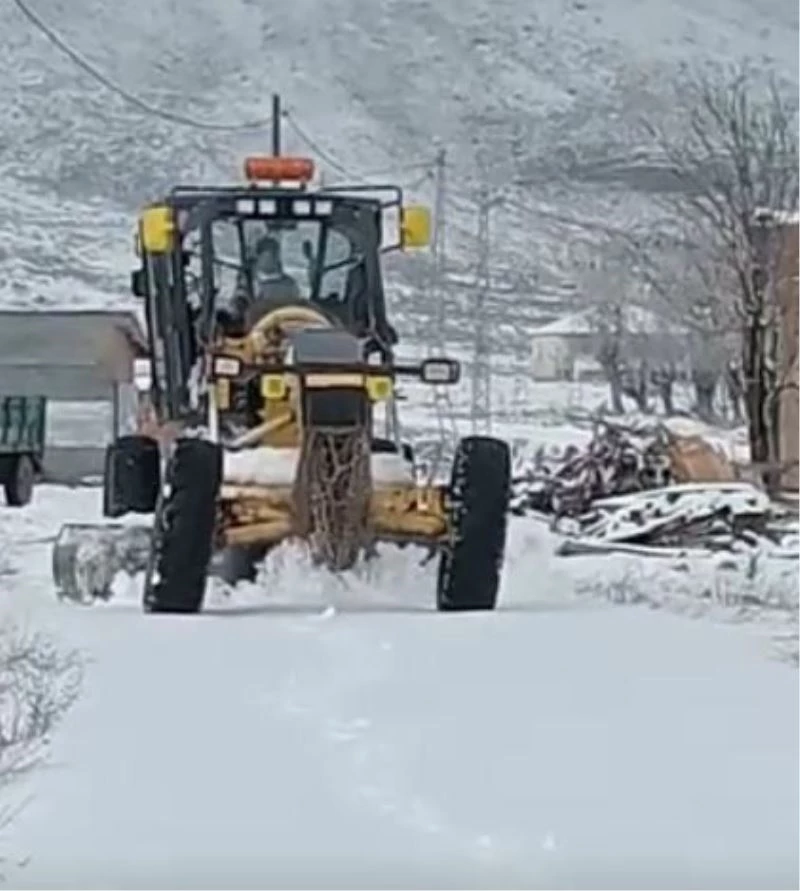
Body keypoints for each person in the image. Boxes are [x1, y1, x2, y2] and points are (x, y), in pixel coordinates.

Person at [230, 235, 301, 327]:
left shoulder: (290, 284)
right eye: (268, 254)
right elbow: (238, 305)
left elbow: (297, 307)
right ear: (259, 256)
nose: (273, 259)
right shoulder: (247, 282)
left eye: (275, 254)